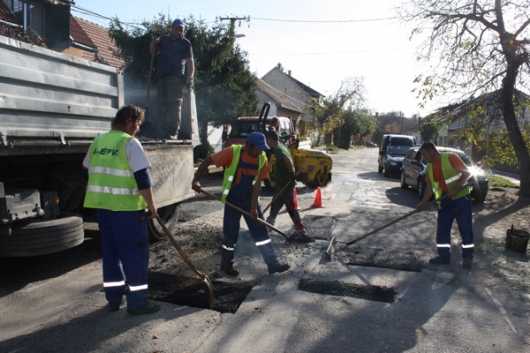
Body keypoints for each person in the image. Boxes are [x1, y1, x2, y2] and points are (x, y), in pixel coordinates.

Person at [83, 104, 160, 315]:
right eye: (138, 124)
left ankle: (114, 298)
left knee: (111, 255)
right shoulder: (129, 143)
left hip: (103, 208)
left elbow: (86, 166)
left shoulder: (99, 141)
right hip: (126, 210)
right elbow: (142, 177)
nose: (138, 129)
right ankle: (137, 302)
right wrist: (151, 205)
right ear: (129, 121)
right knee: (135, 256)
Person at [192, 132, 290, 276]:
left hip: (251, 200)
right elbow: (208, 161)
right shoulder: (233, 152)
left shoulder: (262, 157)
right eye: (257, 148)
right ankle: (226, 265)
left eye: (262, 148)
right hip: (233, 199)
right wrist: (196, 180)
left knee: (261, 231)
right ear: (249, 145)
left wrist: (253, 207)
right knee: (230, 234)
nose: (260, 151)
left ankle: (272, 264)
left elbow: (257, 184)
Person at [416, 142, 474, 269]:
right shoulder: (430, 167)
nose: (424, 158)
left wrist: (456, 189)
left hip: (461, 199)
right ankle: (443, 256)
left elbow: (466, 174)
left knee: (465, 229)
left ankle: (468, 258)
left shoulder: (450, 157)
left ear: (431, 151)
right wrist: (423, 203)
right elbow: (429, 187)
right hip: (445, 201)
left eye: (424, 154)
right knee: (442, 229)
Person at [265, 130, 314, 243]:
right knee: (274, 204)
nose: (267, 143)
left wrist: (291, 174)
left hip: (286, 187)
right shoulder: (281, 146)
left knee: (291, 209)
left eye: (267, 140)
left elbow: (287, 160)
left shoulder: (278, 149)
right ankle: (268, 226)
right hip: (281, 185)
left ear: (271, 139)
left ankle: (300, 230)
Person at [149, 18, 194, 139]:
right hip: (162, 76)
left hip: (175, 78)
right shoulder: (164, 40)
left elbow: (190, 61)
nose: (179, 31)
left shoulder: (185, 43)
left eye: (181, 29)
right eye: (177, 29)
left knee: (174, 105)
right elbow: (152, 51)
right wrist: (155, 39)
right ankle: (163, 131)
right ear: (172, 28)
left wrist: (190, 77)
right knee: (161, 104)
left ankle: (173, 133)